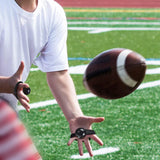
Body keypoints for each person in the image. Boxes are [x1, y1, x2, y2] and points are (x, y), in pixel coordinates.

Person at [0, 0, 104, 159]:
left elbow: (58, 72)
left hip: (5, 112)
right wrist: (5, 84)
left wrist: (74, 116)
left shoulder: (53, 12)